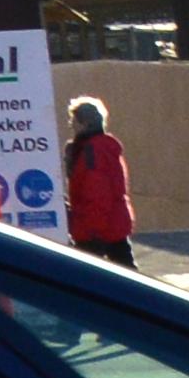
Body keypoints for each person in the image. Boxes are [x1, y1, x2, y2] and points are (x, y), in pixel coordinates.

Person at [63, 96, 138, 268]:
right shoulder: (105, 148)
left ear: (84, 124)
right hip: (114, 223)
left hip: (96, 226)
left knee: (86, 278)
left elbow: (97, 195)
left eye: (73, 120)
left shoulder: (92, 151)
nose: (71, 124)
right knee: (128, 274)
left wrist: (91, 231)